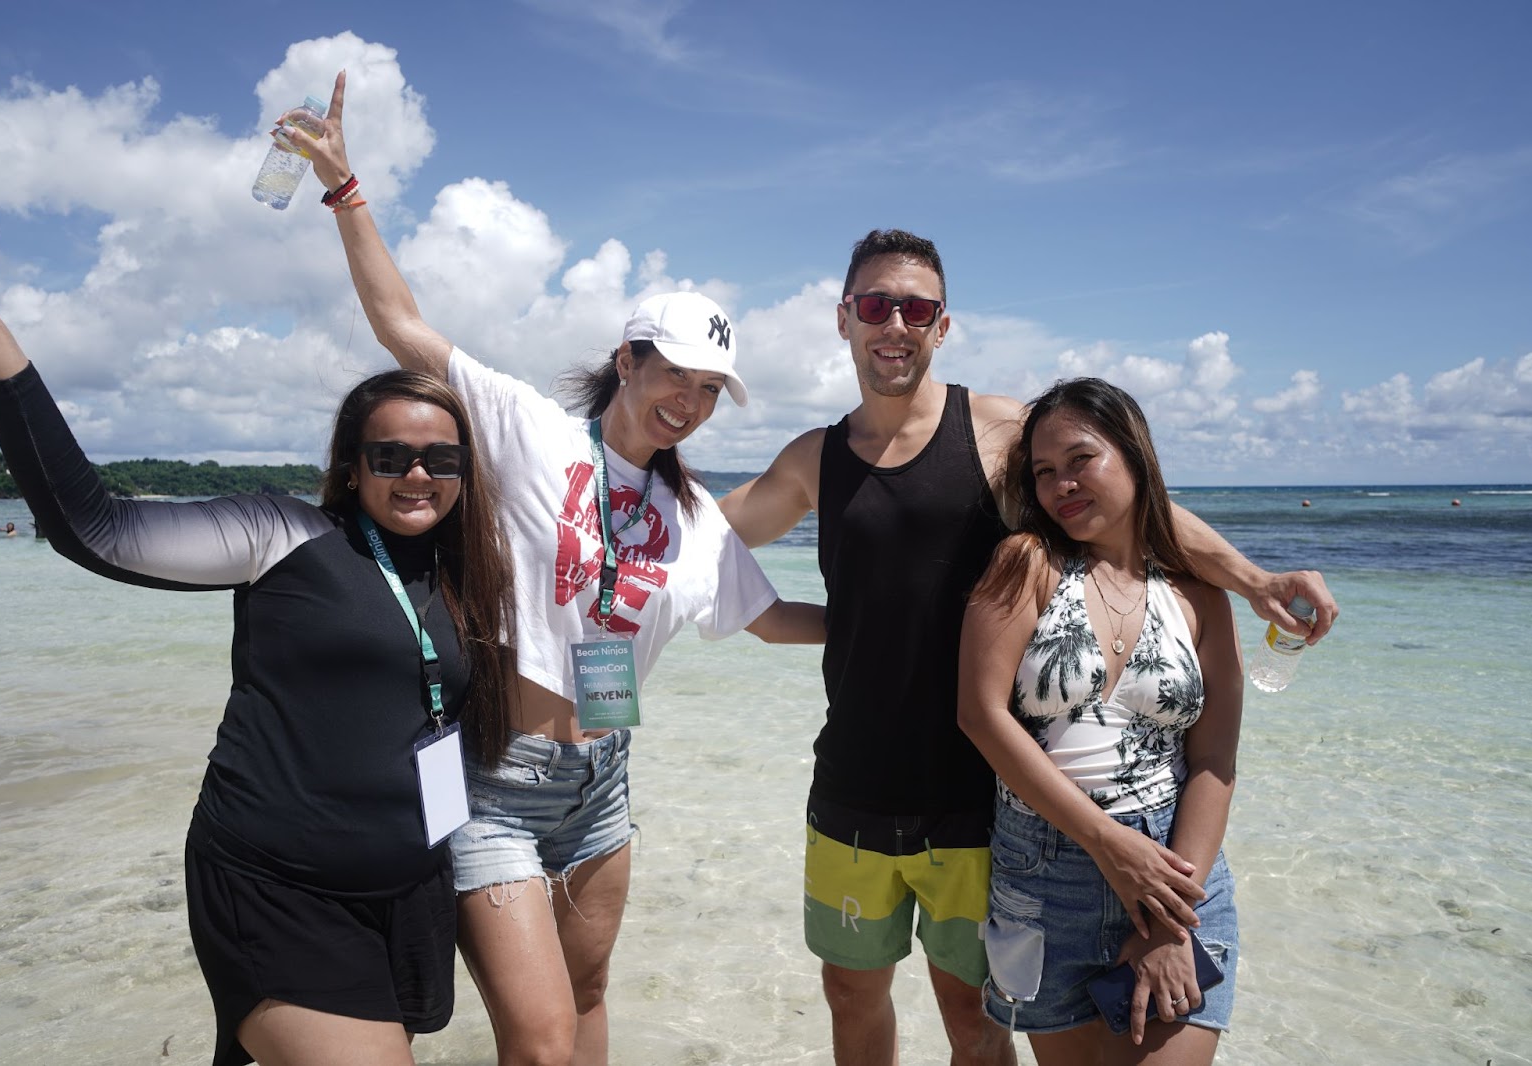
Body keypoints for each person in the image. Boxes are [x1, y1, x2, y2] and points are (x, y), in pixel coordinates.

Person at [281, 73, 826, 1066]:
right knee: (534, 1043)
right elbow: (403, 328)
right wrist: (344, 188)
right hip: (489, 773)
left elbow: (769, 617)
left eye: (710, 390)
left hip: (603, 783)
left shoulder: (690, 514)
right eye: (674, 376)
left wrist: (892, 619)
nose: (689, 403)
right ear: (627, 360)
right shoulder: (529, 429)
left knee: (585, 998)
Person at [718, 229, 1337, 1066]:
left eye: (916, 307)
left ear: (942, 326)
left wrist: (1252, 579)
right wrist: (792, 615)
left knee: (974, 1019)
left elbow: (1142, 512)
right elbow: (704, 545)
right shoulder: (814, 460)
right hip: (852, 786)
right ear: (843, 320)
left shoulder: (1002, 431)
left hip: (983, 797)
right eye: (875, 305)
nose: (894, 322)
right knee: (849, 996)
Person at [0, 281, 518, 1066]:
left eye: (441, 458)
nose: (417, 475)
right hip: (276, 886)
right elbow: (94, 527)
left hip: (409, 891)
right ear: (352, 468)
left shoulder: (466, 574)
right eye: (390, 456)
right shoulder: (281, 533)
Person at [959, 377, 1243, 1063]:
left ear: (1134, 454)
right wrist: (1111, 848)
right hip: (1049, 876)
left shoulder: (1199, 592)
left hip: (1178, 869)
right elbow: (980, 715)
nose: (1063, 485)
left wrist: (1170, 914)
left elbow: (1214, 760)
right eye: (1046, 472)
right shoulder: (1027, 565)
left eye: (1081, 459)